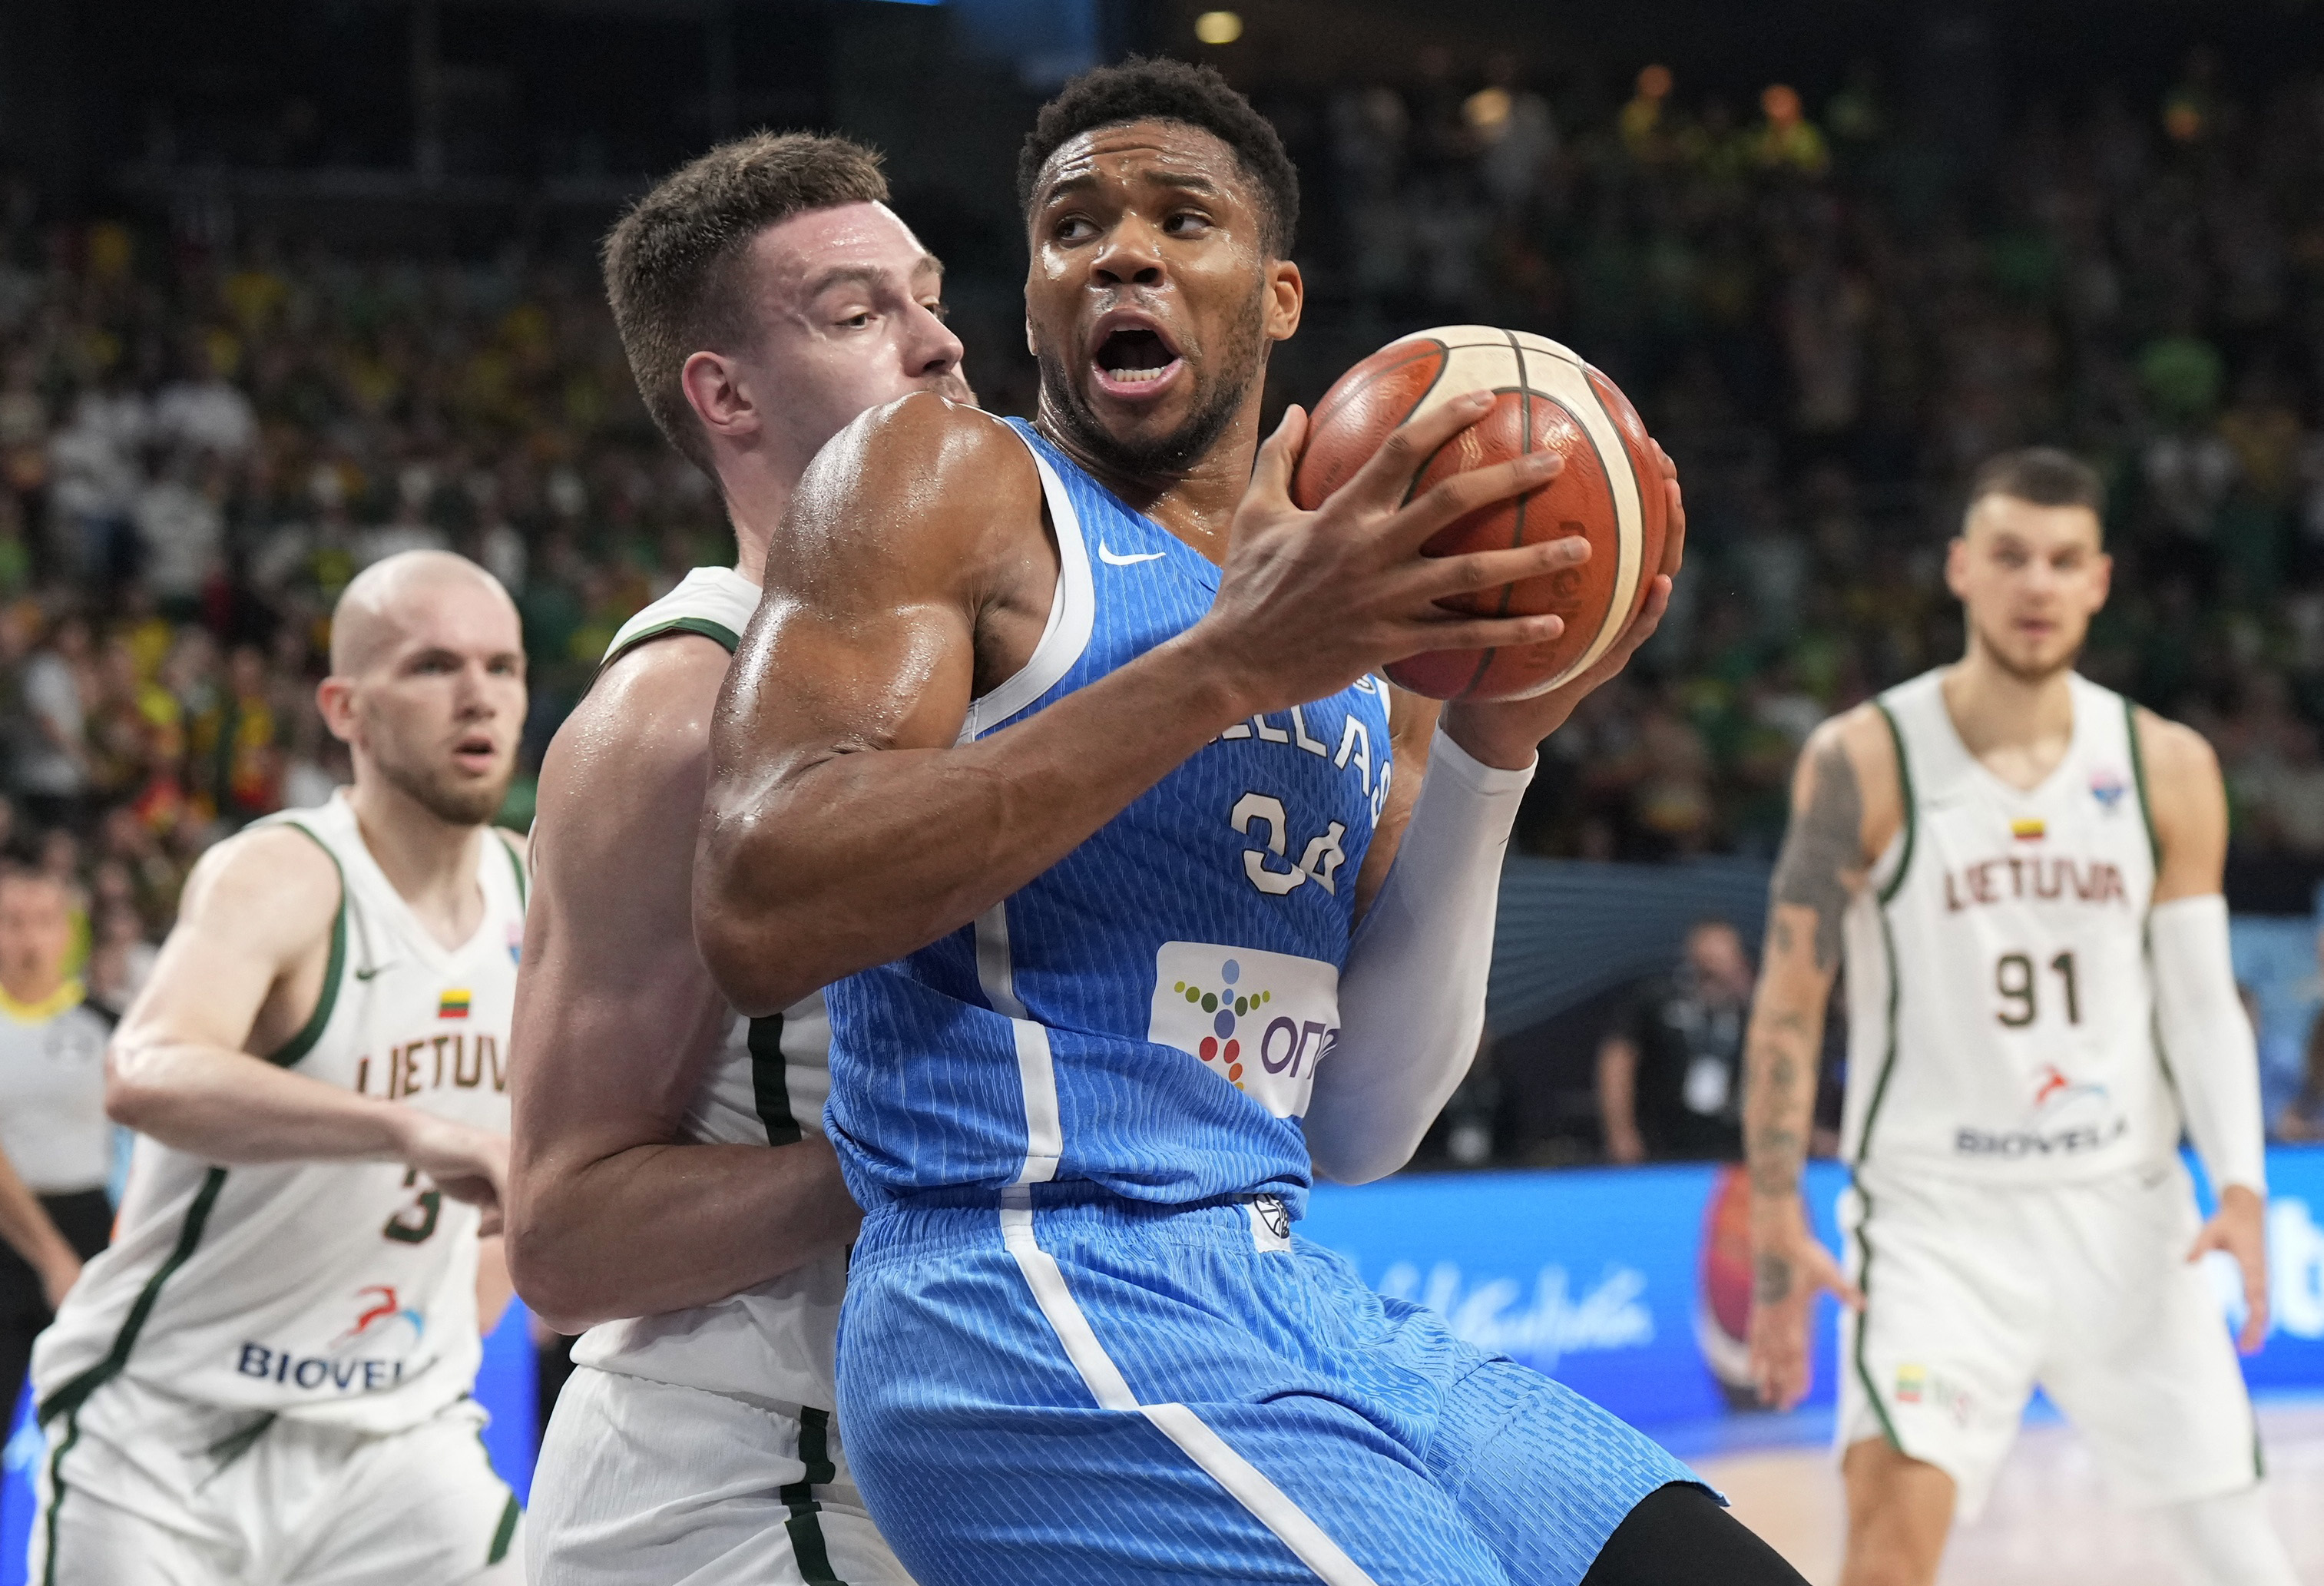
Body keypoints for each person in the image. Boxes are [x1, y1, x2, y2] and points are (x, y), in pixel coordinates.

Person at [700, 58, 1803, 1586]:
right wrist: (1227, 665)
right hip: (1017, 1295)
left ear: (1277, 297)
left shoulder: (1365, 626)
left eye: (1181, 219)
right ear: (1031, 301)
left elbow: (1356, 1124)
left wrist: (1492, 745)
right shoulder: (941, 479)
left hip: (1284, 1282)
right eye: (1073, 226)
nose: (1122, 251)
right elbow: (760, 895)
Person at [508, 131, 968, 1584]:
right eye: (857, 315)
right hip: (737, 1492)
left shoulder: (1014, 660)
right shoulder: (675, 709)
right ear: (727, 395)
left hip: (928, 1471)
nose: (939, 343)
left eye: (928, 294)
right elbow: (564, 1235)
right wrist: (931, 1156)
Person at [1741, 448, 2297, 1586]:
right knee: (1887, 1553)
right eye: (2008, 557)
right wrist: (1771, 1216)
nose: (2034, 585)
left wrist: (2240, 1184)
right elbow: (1789, 1002)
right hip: (1935, 1222)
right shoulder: (1859, 761)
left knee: (2246, 1564)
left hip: (2125, 1212)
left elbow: (2201, 1004)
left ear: (2099, 580)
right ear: (1958, 568)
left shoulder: (2165, 766)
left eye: (2061, 561)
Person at [29, 549, 531, 1585]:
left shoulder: (541, 892)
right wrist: (405, 1128)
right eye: (434, 665)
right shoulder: (286, 872)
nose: (478, 694)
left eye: (503, 665)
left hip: (398, 1440)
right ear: (344, 708)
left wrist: (456, 1307)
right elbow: (148, 1068)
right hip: (169, 1434)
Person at [0, 869, 115, 1421]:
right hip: (15, 1233)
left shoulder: (110, 1025)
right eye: (12, 922)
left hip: (89, 1227)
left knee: (97, 1417)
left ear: (67, 934)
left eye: (44, 922)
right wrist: (51, 1256)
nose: (28, 939)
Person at [1597, 917, 1755, 1164]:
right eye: (1707, 964)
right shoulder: (1656, 998)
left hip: (1732, 1143)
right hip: (1663, 1139)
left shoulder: (1750, 1010)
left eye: (1724, 960)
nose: (1715, 971)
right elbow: (1618, 1059)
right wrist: (1620, 1131)